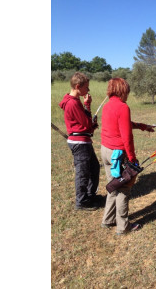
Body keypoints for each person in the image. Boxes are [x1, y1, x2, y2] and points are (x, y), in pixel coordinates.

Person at [100, 78, 155, 235]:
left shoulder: (108, 105)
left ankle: (108, 220)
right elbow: (126, 137)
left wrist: (141, 126)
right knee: (124, 188)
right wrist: (132, 159)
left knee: (113, 185)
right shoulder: (123, 107)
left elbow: (123, 123)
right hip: (118, 153)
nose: (128, 95)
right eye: (127, 92)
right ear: (122, 91)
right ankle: (123, 227)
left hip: (105, 150)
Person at [59, 72, 100, 211]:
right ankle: (81, 202)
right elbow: (86, 124)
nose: (88, 91)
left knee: (94, 168)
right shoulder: (72, 103)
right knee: (83, 173)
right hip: (80, 143)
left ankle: (90, 195)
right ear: (78, 86)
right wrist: (87, 106)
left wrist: (89, 124)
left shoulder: (74, 101)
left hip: (83, 140)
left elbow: (85, 123)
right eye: (86, 88)